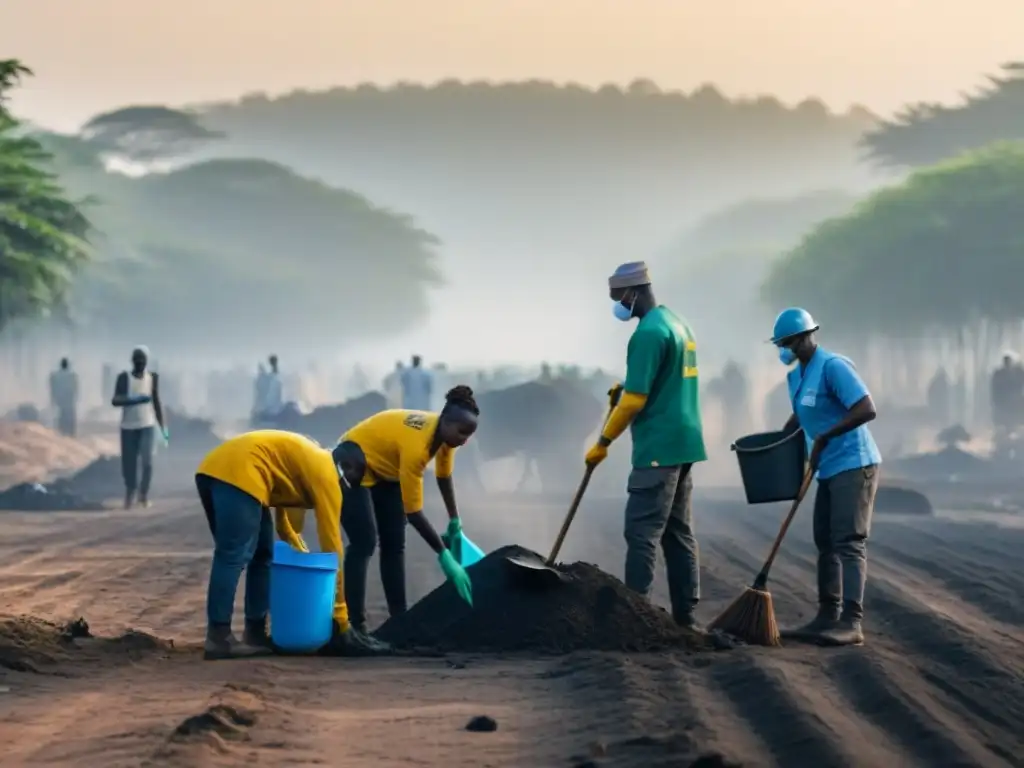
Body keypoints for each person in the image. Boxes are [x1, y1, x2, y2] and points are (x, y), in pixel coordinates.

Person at [284, 386, 479, 633]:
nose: (465, 440)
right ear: (446, 422)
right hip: (353, 460)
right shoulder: (417, 448)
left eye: (469, 434)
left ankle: (400, 618)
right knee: (364, 540)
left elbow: (443, 476)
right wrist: (444, 556)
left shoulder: (445, 438)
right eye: (462, 432)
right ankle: (355, 624)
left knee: (394, 542)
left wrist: (455, 521)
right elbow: (414, 513)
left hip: (386, 469)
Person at [584, 261, 707, 631]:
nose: (616, 305)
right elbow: (657, 381)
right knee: (677, 532)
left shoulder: (647, 334)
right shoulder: (677, 324)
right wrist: (624, 390)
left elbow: (637, 399)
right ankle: (687, 617)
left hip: (657, 447)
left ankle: (635, 619)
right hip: (684, 443)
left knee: (641, 533)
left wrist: (603, 441)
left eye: (616, 297)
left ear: (632, 292)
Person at [196, 430, 390, 660]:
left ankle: (255, 632)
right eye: (356, 479)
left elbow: (285, 524)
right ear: (347, 467)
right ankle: (219, 637)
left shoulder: (310, 461)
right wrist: (340, 615)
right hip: (238, 473)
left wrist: (301, 553)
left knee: (262, 555)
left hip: (218, 469)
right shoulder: (327, 474)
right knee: (233, 554)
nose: (352, 489)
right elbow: (332, 545)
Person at [771, 307, 880, 647]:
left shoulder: (833, 367)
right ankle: (826, 615)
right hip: (826, 468)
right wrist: (774, 441)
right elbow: (802, 414)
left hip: (853, 463)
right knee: (825, 541)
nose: (784, 350)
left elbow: (866, 408)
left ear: (806, 338)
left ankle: (852, 621)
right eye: (780, 344)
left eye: (788, 342)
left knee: (849, 541)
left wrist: (825, 436)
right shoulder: (795, 377)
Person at [111, 346, 168, 509]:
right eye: (137, 361)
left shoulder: (152, 378)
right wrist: (134, 400)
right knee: (129, 463)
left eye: (142, 361)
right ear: (132, 361)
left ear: (146, 362)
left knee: (148, 461)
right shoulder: (124, 378)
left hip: (147, 425)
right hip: (128, 426)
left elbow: (156, 402)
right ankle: (130, 491)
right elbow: (115, 400)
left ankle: (143, 494)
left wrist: (163, 427)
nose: (140, 364)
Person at [49, 358, 79, 438]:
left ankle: (62, 431)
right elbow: (75, 389)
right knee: (70, 417)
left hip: (61, 401)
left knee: (62, 416)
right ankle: (70, 433)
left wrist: (53, 399)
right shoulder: (72, 376)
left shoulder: (56, 376)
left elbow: (53, 389)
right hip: (69, 401)